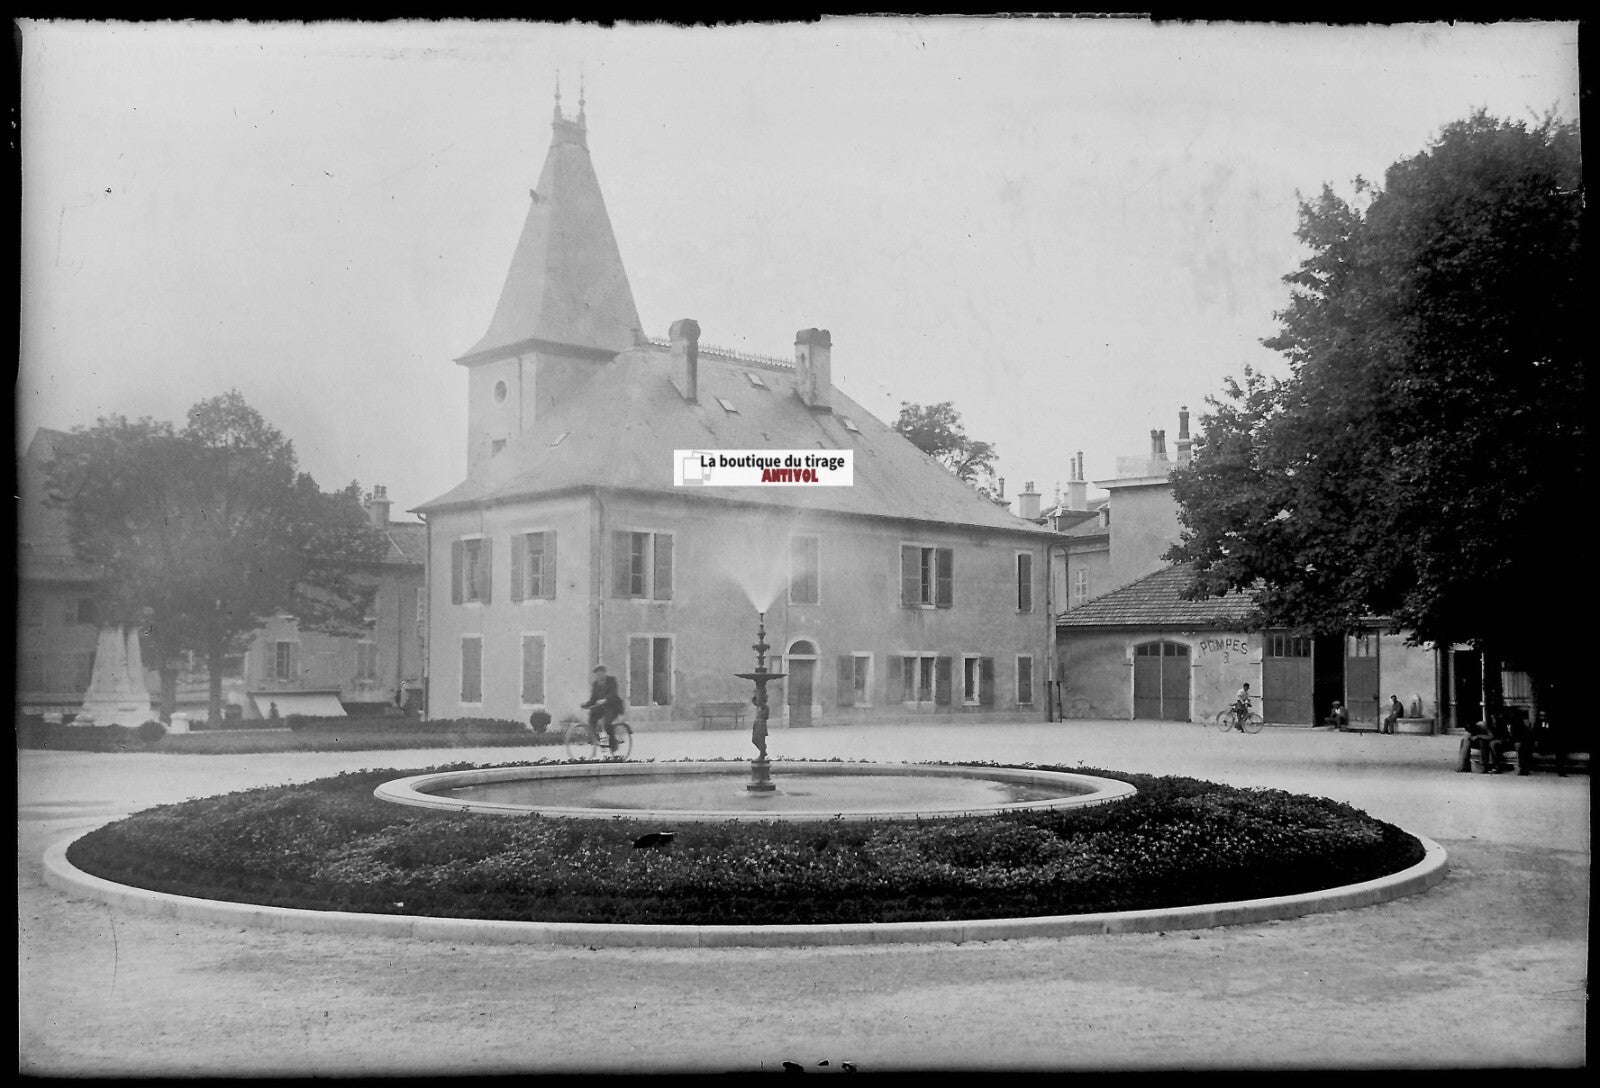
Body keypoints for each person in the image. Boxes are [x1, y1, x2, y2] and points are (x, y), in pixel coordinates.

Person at [580, 664, 624, 753]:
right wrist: (586, 705)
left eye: (600, 672)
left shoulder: (611, 680)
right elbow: (593, 698)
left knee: (607, 724)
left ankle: (613, 744)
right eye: (596, 673)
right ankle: (596, 739)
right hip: (602, 708)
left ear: (604, 672)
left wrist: (606, 699)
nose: (598, 674)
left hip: (612, 707)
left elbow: (613, 693)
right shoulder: (595, 684)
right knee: (592, 718)